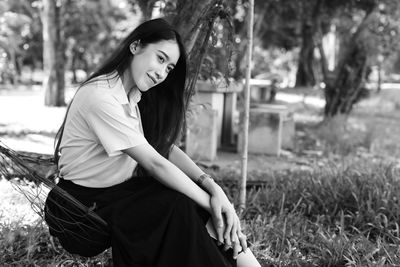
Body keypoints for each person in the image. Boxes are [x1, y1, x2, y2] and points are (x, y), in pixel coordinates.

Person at [44, 18, 261, 267]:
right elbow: (155, 163)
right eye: (160, 58)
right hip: (81, 209)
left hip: (115, 194)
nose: (162, 73)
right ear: (135, 46)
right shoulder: (101, 96)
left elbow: (164, 149)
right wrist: (217, 206)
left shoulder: (131, 95)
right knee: (178, 205)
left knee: (187, 200)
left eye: (169, 68)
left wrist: (212, 188)